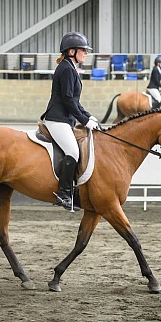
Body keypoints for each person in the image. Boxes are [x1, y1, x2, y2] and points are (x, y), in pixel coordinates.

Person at [40, 32, 101, 211]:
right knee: (73, 151)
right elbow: (67, 100)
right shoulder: (66, 69)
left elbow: (74, 101)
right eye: (83, 50)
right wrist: (83, 119)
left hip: (66, 120)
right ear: (72, 51)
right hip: (57, 119)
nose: (86, 53)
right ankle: (64, 193)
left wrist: (88, 116)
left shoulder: (71, 67)